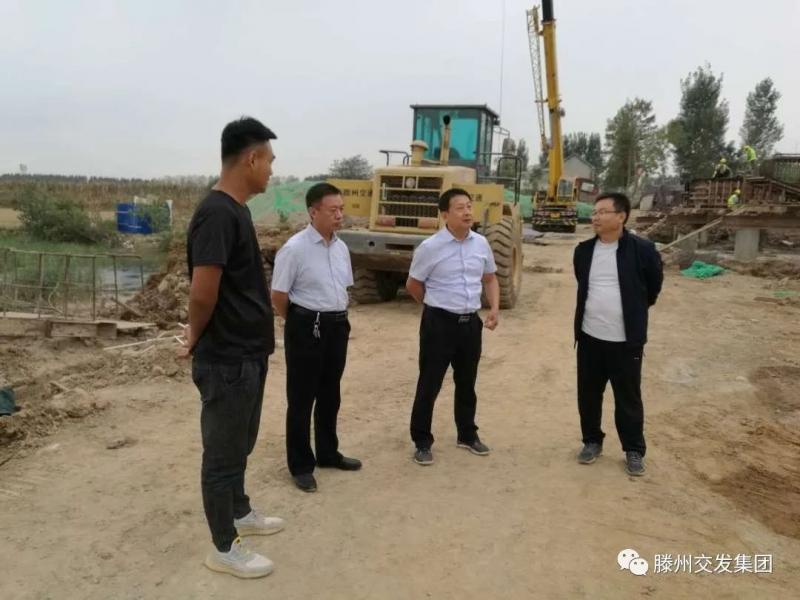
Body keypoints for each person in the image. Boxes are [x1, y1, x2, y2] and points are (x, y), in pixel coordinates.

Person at [180, 117, 285, 578]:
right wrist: (193, 335)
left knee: (240, 444)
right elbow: (203, 292)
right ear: (252, 158)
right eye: (270, 161)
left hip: (248, 354)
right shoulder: (217, 213)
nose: (272, 171)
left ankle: (239, 511)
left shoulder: (237, 211)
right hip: (226, 358)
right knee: (222, 456)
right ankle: (224, 546)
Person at [270, 182, 362, 493]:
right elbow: (278, 295)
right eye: (332, 210)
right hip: (306, 326)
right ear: (313, 212)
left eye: (341, 209)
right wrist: (299, 322)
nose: (339, 215)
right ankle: (300, 465)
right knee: (301, 398)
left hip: (337, 325)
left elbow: (343, 288)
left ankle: (327, 452)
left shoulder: (341, 247)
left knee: (330, 393)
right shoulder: (294, 249)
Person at [406, 188, 500, 466]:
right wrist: (433, 305)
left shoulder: (481, 243)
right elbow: (413, 284)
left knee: (467, 382)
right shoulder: (430, 247)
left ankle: (467, 434)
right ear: (445, 214)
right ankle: (422, 441)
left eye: (469, 206)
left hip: (470, 324)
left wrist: (494, 309)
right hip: (439, 324)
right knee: (430, 382)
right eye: (460, 208)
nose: (467, 212)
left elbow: (490, 278)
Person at [573, 192, 663, 476]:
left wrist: (633, 311)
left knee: (628, 398)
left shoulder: (643, 250)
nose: (595, 217)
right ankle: (591, 441)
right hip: (590, 337)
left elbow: (653, 287)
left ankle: (633, 449)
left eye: (603, 212)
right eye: (594, 212)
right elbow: (582, 283)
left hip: (626, 341)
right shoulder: (584, 251)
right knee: (588, 394)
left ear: (621, 216)